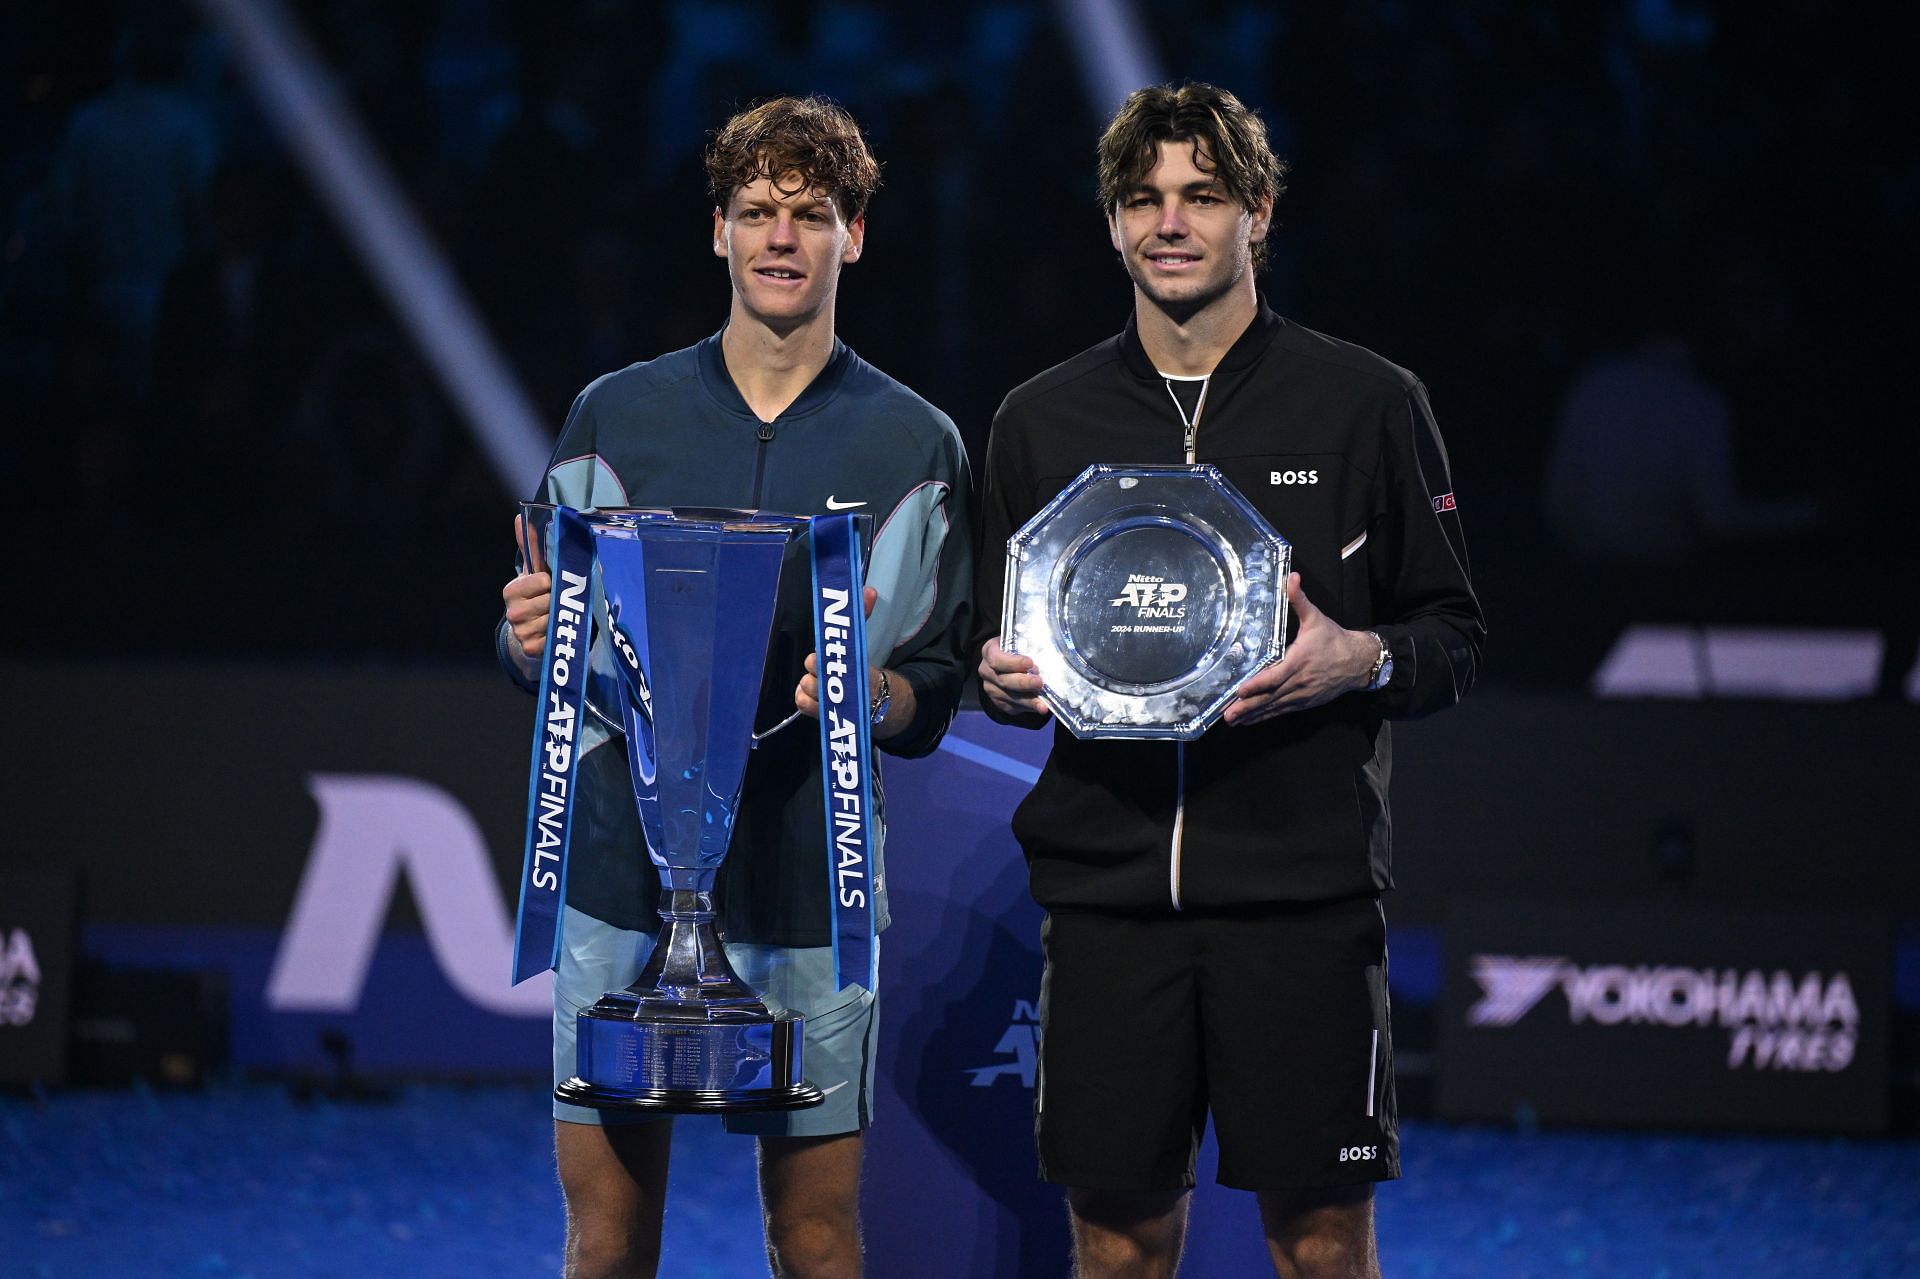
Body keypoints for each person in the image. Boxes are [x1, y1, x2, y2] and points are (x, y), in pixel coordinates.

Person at [972, 83, 1483, 1278]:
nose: (1171, 222)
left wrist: (1360, 656)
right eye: (1143, 198)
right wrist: (997, 679)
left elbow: (1454, 635)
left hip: (1300, 904)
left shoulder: (1368, 402)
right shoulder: (1038, 420)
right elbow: (990, 646)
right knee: (1117, 1247)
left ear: (1258, 212)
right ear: (1110, 223)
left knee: (1319, 1247)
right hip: (1106, 908)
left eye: (1203, 195)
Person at [496, 96, 972, 1279]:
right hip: (618, 877)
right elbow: (553, 653)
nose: (780, 238)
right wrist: (525, 639)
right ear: (716, 230)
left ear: (853, 237)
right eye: (756, 210)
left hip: (814, 880)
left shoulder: (915, 442)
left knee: (812, 1238)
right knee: (604, 1242)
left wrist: (878, 697)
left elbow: (936, 681)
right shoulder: (617, 413)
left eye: (810, 215)